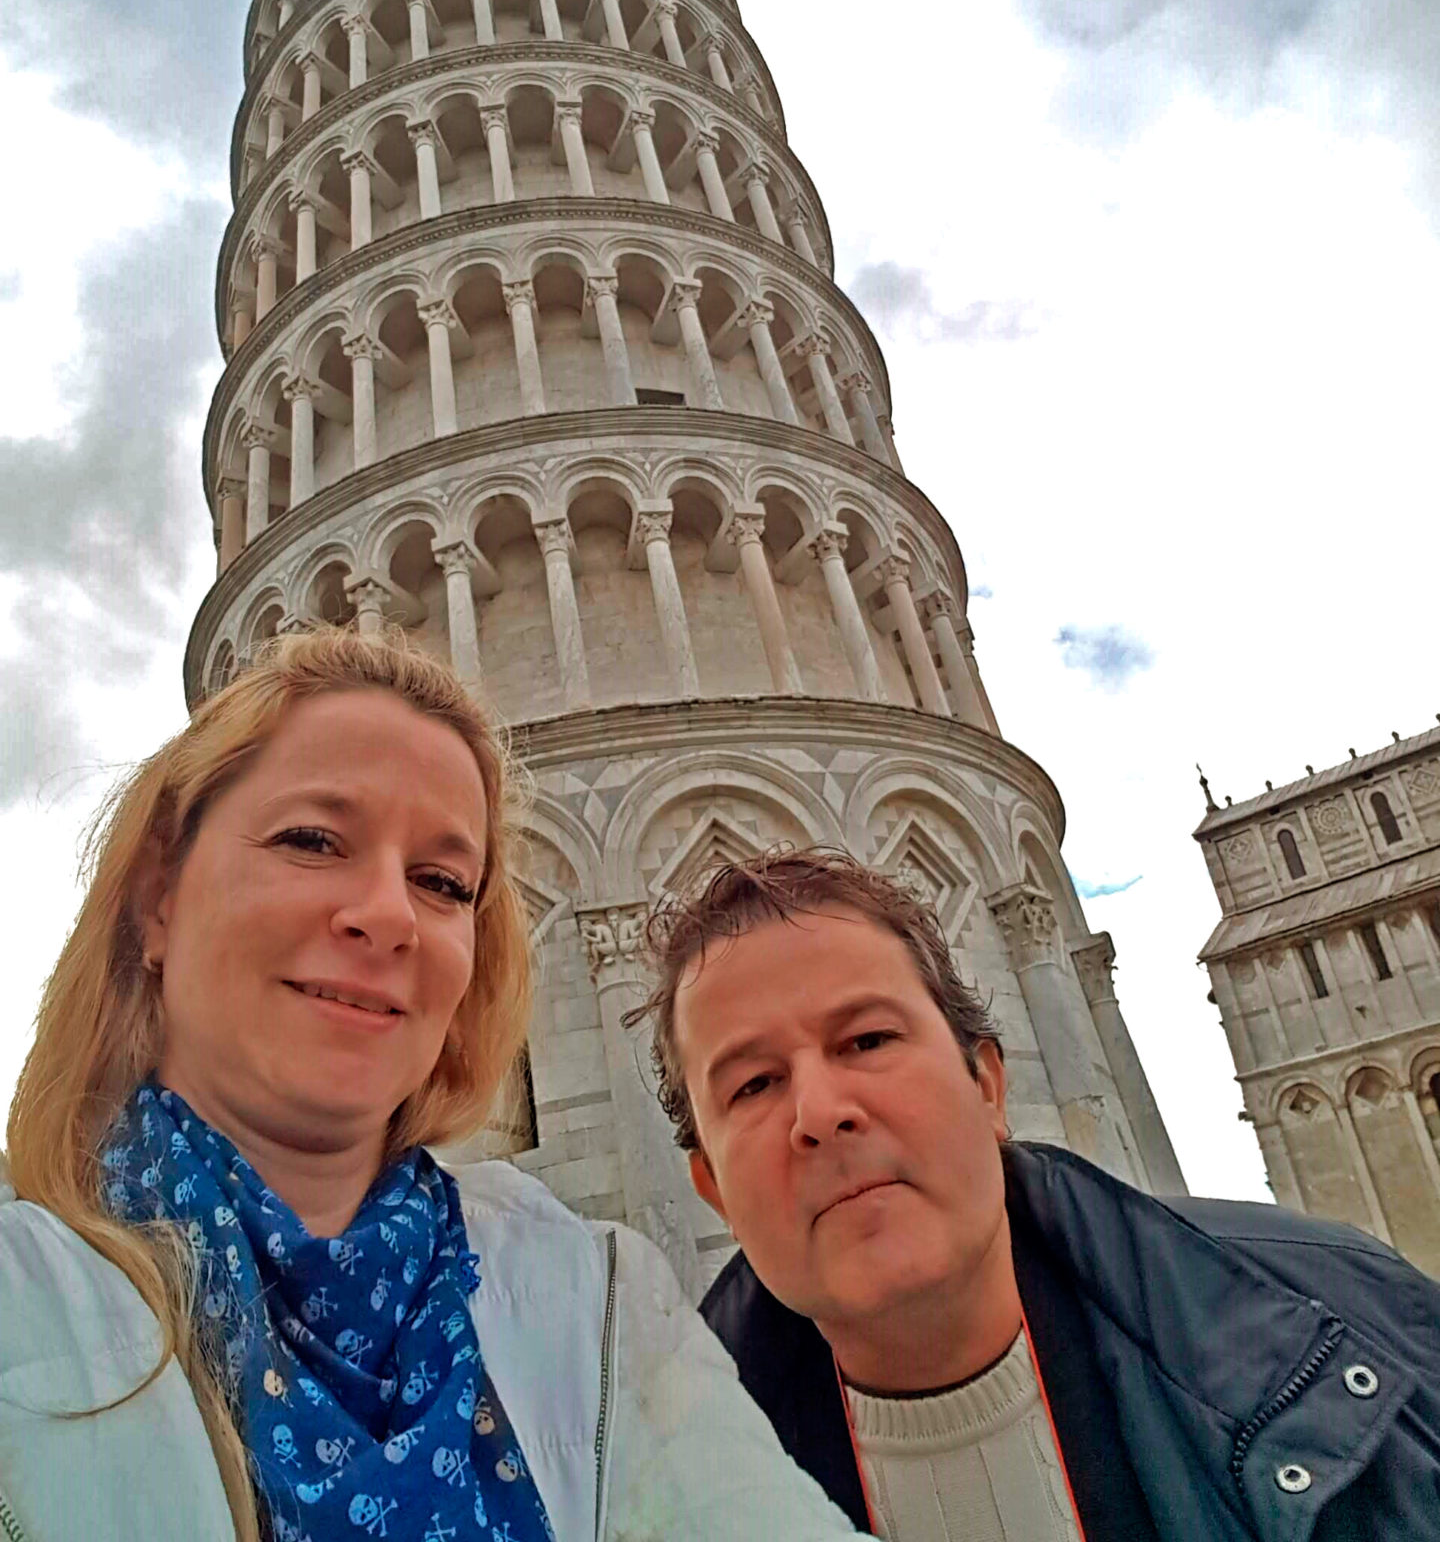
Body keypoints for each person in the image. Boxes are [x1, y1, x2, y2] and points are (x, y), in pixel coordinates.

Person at [0, 630, 854, 1542]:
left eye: (443, 882)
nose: (386, 917)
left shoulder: (595, 1298)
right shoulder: (26, 1298)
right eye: (312, 839)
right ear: (157, 899)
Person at [629, 846, 1440, 1542]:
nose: (822, 1114)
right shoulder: (633, 1500)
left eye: (867, 1040)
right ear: (713, 1188)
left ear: (986, 1086)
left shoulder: (1354, 1339)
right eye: (755, 1083)